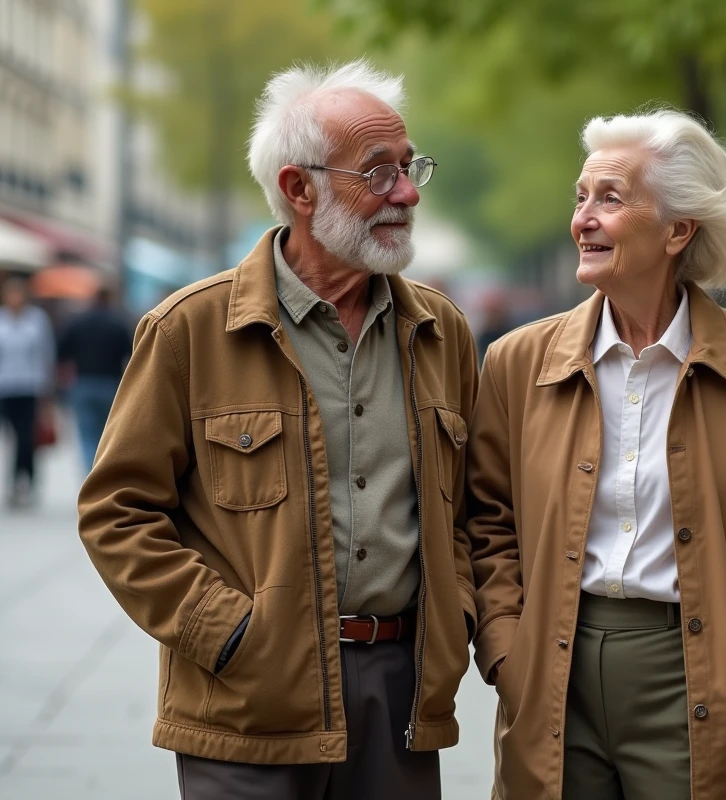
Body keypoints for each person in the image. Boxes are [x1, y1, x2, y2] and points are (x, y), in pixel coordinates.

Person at [77, 61, 478, 800]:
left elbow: (473, 509)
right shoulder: (189, 329)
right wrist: (227, 633)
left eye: (410, 165)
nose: (410, 192)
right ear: (300, 189)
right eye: (380, 173)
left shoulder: (441, 331)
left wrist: (458, 623)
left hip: (401, 701)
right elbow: (116, 512)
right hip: (244, 704)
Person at [468, 109, 726, 800]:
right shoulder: (515, 363)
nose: (583, 218)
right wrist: (505, 649)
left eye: (610, 198)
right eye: (581, 197)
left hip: (696, 668)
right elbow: (485, 520)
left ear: (679, 229)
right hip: (551, 670)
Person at [57, 285, 133, 469]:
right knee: (107, 433)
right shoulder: (118, 324)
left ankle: (90, 472)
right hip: (110, 385)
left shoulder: (79, 322)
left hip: (83, 383)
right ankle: (103, 470)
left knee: (86, 433)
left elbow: (61, 352)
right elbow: (132, 356)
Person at [0, 276, 55, 508]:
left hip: (30, 387)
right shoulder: (1, 319)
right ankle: (19, 478)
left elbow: (46, 354)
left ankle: (24, 481)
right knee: (13, 437)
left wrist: (48, 391)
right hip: (5, 387)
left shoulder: (37, 320)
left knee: (25, 436)